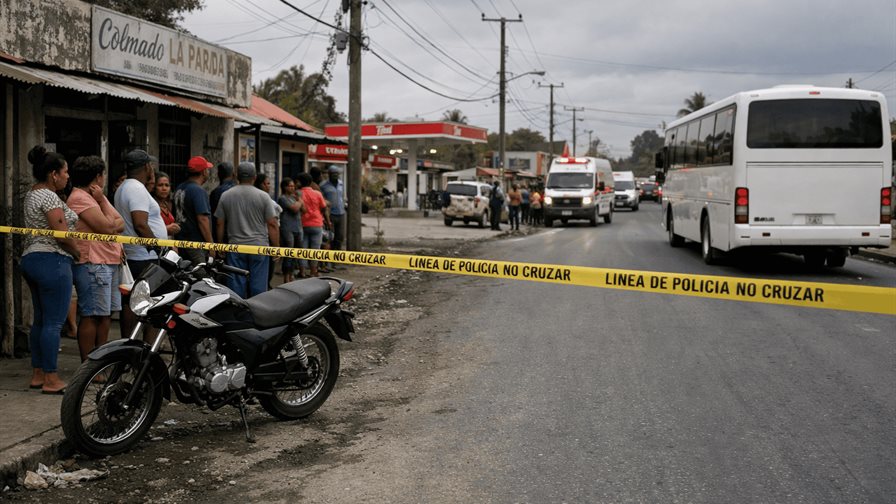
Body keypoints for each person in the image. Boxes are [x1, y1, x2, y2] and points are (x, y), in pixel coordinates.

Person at [21, 145, 80, 394]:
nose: (68, 176)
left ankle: (38, 373)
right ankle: (51, 378)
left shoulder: (31, 194)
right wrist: (77, 252)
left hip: (31, 259)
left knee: (41, 321)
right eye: (65, 172)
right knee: (54, 323)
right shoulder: (48, 196)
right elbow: (61, 234)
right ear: (53, 174)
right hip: (52, 260)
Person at [67, 155, 125, 362]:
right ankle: (89, 365)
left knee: (106, 314)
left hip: (108, 261)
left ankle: (101, 361)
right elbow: (109, 227)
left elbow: (121, 223)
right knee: (91, 314)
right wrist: (103, 208)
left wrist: (101, 201)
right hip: (93, 263)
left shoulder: (96, 197)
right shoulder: (80, 198)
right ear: (97, 176)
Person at [114, 149, 168, 340]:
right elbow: (140, 224)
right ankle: (144, 346)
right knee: (151, 304)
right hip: (145, 257)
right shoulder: (136, 188)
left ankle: (130, 343)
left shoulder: (126, 187)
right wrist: (159, 248)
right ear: (147, 167)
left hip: (139, 255)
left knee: (133, 301)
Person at [215, 162, 280, 297]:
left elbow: (219, 223)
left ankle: (238, 314)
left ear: (236, 176)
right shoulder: (263, 196)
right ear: (254, 177)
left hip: (235, 248)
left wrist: (220, 244)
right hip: (259, 247)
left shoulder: (226, 195)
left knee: (236, 285)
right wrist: (276, 247)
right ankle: (258, 312)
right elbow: (272, 223)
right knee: (259, 285)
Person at [173, 156, 214, 266]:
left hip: (181, 241)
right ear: (204, 172)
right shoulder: (198, 191)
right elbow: (203, 219)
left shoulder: (180, 188)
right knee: (201, 276)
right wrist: (211, 246)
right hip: (195, 244)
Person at [297, 172, 330, 278]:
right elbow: (324, 207)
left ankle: (302, 271)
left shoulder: (298, 193)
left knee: (303, 249)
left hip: (302, 224)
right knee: (315, 249)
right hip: (316, 224)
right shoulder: (317, 193)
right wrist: (326, 219)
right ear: (310, 182)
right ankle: (313, 272)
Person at [277, 177, 304, 283]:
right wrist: (300, 201)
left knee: (296, 253)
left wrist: (299, 201)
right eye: (290, 186)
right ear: (284, 187)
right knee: (289, 252)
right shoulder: (283, 198)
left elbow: (304, 210)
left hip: (298, 227)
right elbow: (295, 208)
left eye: (293, 186)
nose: (292, 188)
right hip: (287, 228)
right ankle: (286, 276)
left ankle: (292, 273)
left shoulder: (294, 198)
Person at [319, 165, 345, 255]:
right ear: (329, 174)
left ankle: (337, 256)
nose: (335, 175)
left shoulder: (341, 184)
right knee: (330, 237)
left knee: (340, 236)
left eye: (337, 174)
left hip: (341, 213)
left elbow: (342, 197)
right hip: (330, 215)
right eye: (333, 174)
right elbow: (321, 200)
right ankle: (330, 258)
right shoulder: (323, 186)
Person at [151, 171, 180, 238]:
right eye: (160, 185)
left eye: (167, 185)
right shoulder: (152, 204)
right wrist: (166, 229)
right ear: (154, 187)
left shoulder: (167, 204)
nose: (164, 188)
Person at [210, 162, 235, 242]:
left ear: (218, 174)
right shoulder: (237, 190)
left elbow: (217, 220)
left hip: (222, 234)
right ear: (233, 174)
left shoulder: (216, 193)